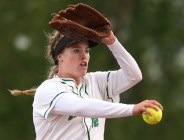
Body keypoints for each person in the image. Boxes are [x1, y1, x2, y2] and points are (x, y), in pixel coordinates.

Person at [31, 28, 163, 140]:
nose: (84, 56)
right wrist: (131, 109)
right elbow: (80, 106)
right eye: (76, 50)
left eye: (87, 51)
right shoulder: (48, 89)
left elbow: (134, 76)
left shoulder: (96, 81)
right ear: (60, 57)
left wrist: (112, 42)